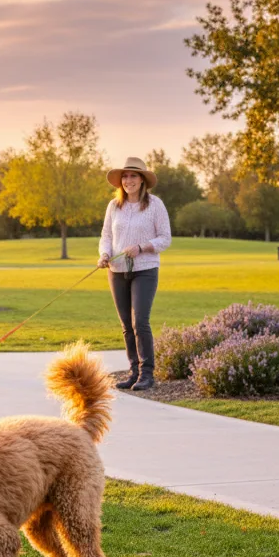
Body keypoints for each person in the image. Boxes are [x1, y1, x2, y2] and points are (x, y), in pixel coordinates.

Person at [98, 157, 172, 391]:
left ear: (142, 180)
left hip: (145, 269)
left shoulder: (155, 205)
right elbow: (107, 237)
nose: (128, 180)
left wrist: (141, 247)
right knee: (126, 325)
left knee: (139, 321)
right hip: (117, 271)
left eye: (133, 176)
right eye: (125, 176)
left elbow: (165, 239)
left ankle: (147, 374)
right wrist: (104, 254)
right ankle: (134, 372)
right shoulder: (114, 206)